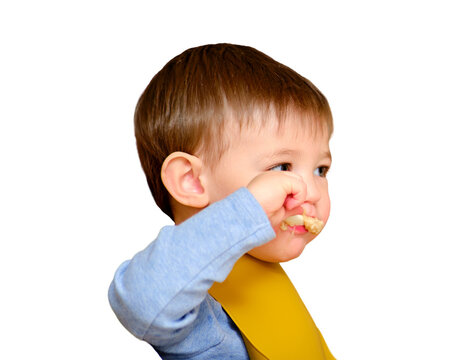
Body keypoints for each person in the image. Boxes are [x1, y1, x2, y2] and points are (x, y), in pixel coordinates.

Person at [108, 43, 335, 359]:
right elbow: (139, 300)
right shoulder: (206, 315)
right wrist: (248, 211)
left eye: (320, 169)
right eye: (282, 167)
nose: (311, 191)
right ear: (191, 181)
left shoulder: (264, 277)